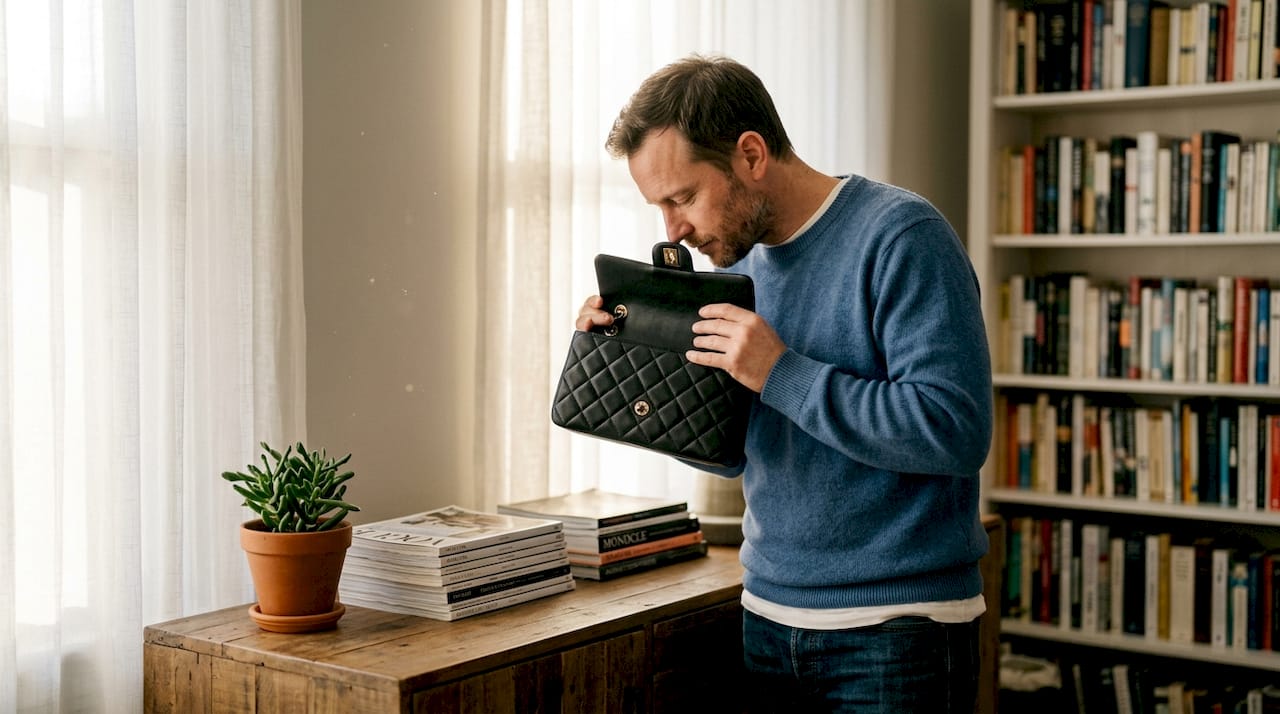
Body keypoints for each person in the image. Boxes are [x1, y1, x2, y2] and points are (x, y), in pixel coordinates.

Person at [575, 54, 993, 712]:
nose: (674, 230)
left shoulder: (902, 236)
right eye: (660, 207)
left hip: (898, 632)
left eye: (683, 198)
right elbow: (734, 452)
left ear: (750, 154)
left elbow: (954, 431)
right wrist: (628, 369)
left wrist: (779, 370)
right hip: (768, 619)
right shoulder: (736, 267)